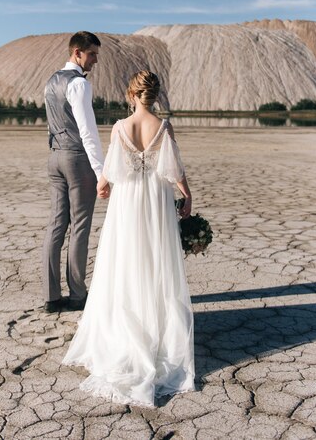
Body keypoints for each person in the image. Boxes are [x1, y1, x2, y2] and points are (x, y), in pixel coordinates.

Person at [62, 70, 195, 407]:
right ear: (154, 95)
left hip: (128, 203)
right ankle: (158, 335)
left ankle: (124, 333)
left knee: (124, 263)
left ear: (132, 95)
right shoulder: (163, 127)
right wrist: (187, 196)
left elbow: (108, 172)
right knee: (155, 263)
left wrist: (103, 185)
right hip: (155, 203)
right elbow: (174, 169)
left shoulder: (120, 127)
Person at [43, 31, 110, 313]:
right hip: (77, 159)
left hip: (55, 156)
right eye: (92, 54)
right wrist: (102, 172)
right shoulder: (79, 85)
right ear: (77, 53)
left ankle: (51, 296)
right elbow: (88, 133)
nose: (95, 60)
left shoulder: (51, 81)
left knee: (57, 226)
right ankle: (77, 295)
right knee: (80, 227)